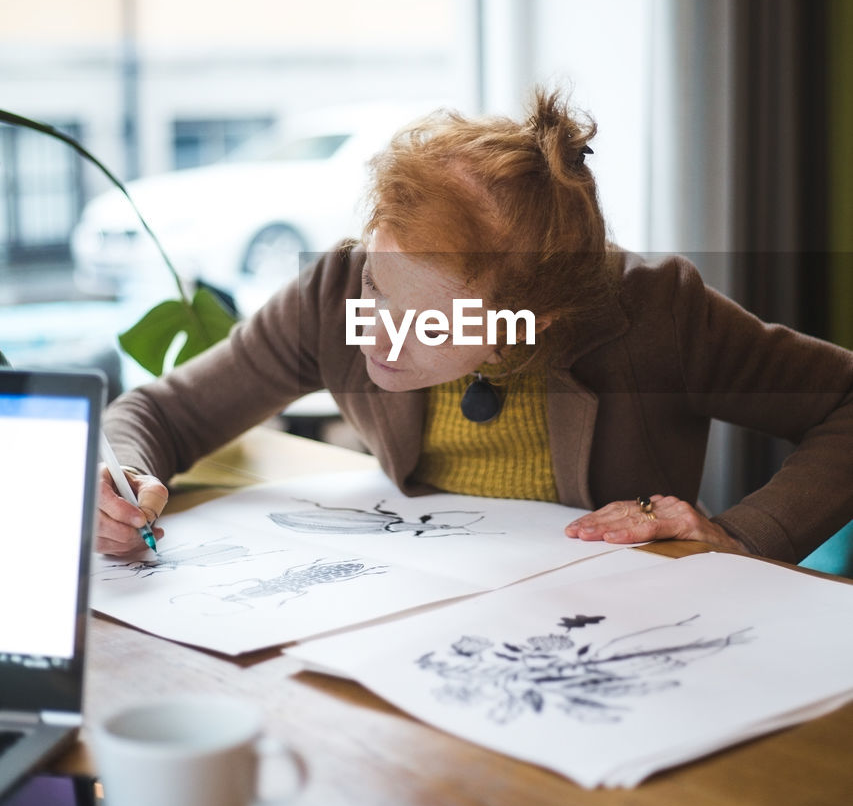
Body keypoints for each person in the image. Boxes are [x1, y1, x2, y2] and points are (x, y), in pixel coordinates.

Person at [99, 89, 853, 566]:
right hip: (407, 608)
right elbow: (159, 411)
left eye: (431, 323)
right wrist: (122, 481)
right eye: (377, 285)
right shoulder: (332, 291)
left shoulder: (655, 313)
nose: (376, 338)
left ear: (533, 320)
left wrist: (749, 537)